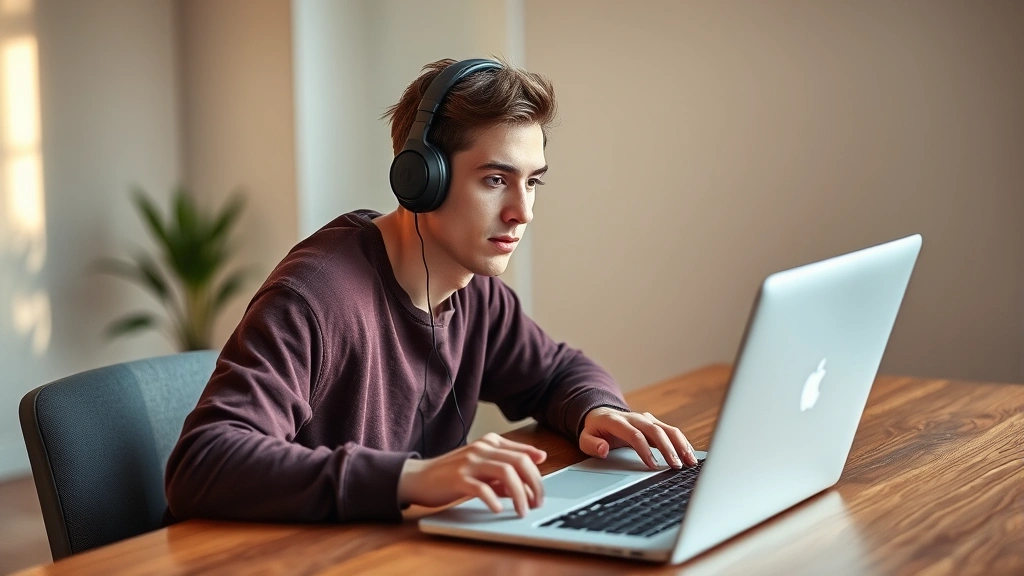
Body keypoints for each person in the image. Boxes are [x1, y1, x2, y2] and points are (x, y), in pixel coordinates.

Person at [164, 57, 698, 525]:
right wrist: (412, 479)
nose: (523, 212)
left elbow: (558, 371)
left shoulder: (475, 291)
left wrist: (596, 411)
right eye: (495, 180)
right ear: (421, 179)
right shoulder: (315, 297)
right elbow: (203, 462)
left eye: (532, 181)